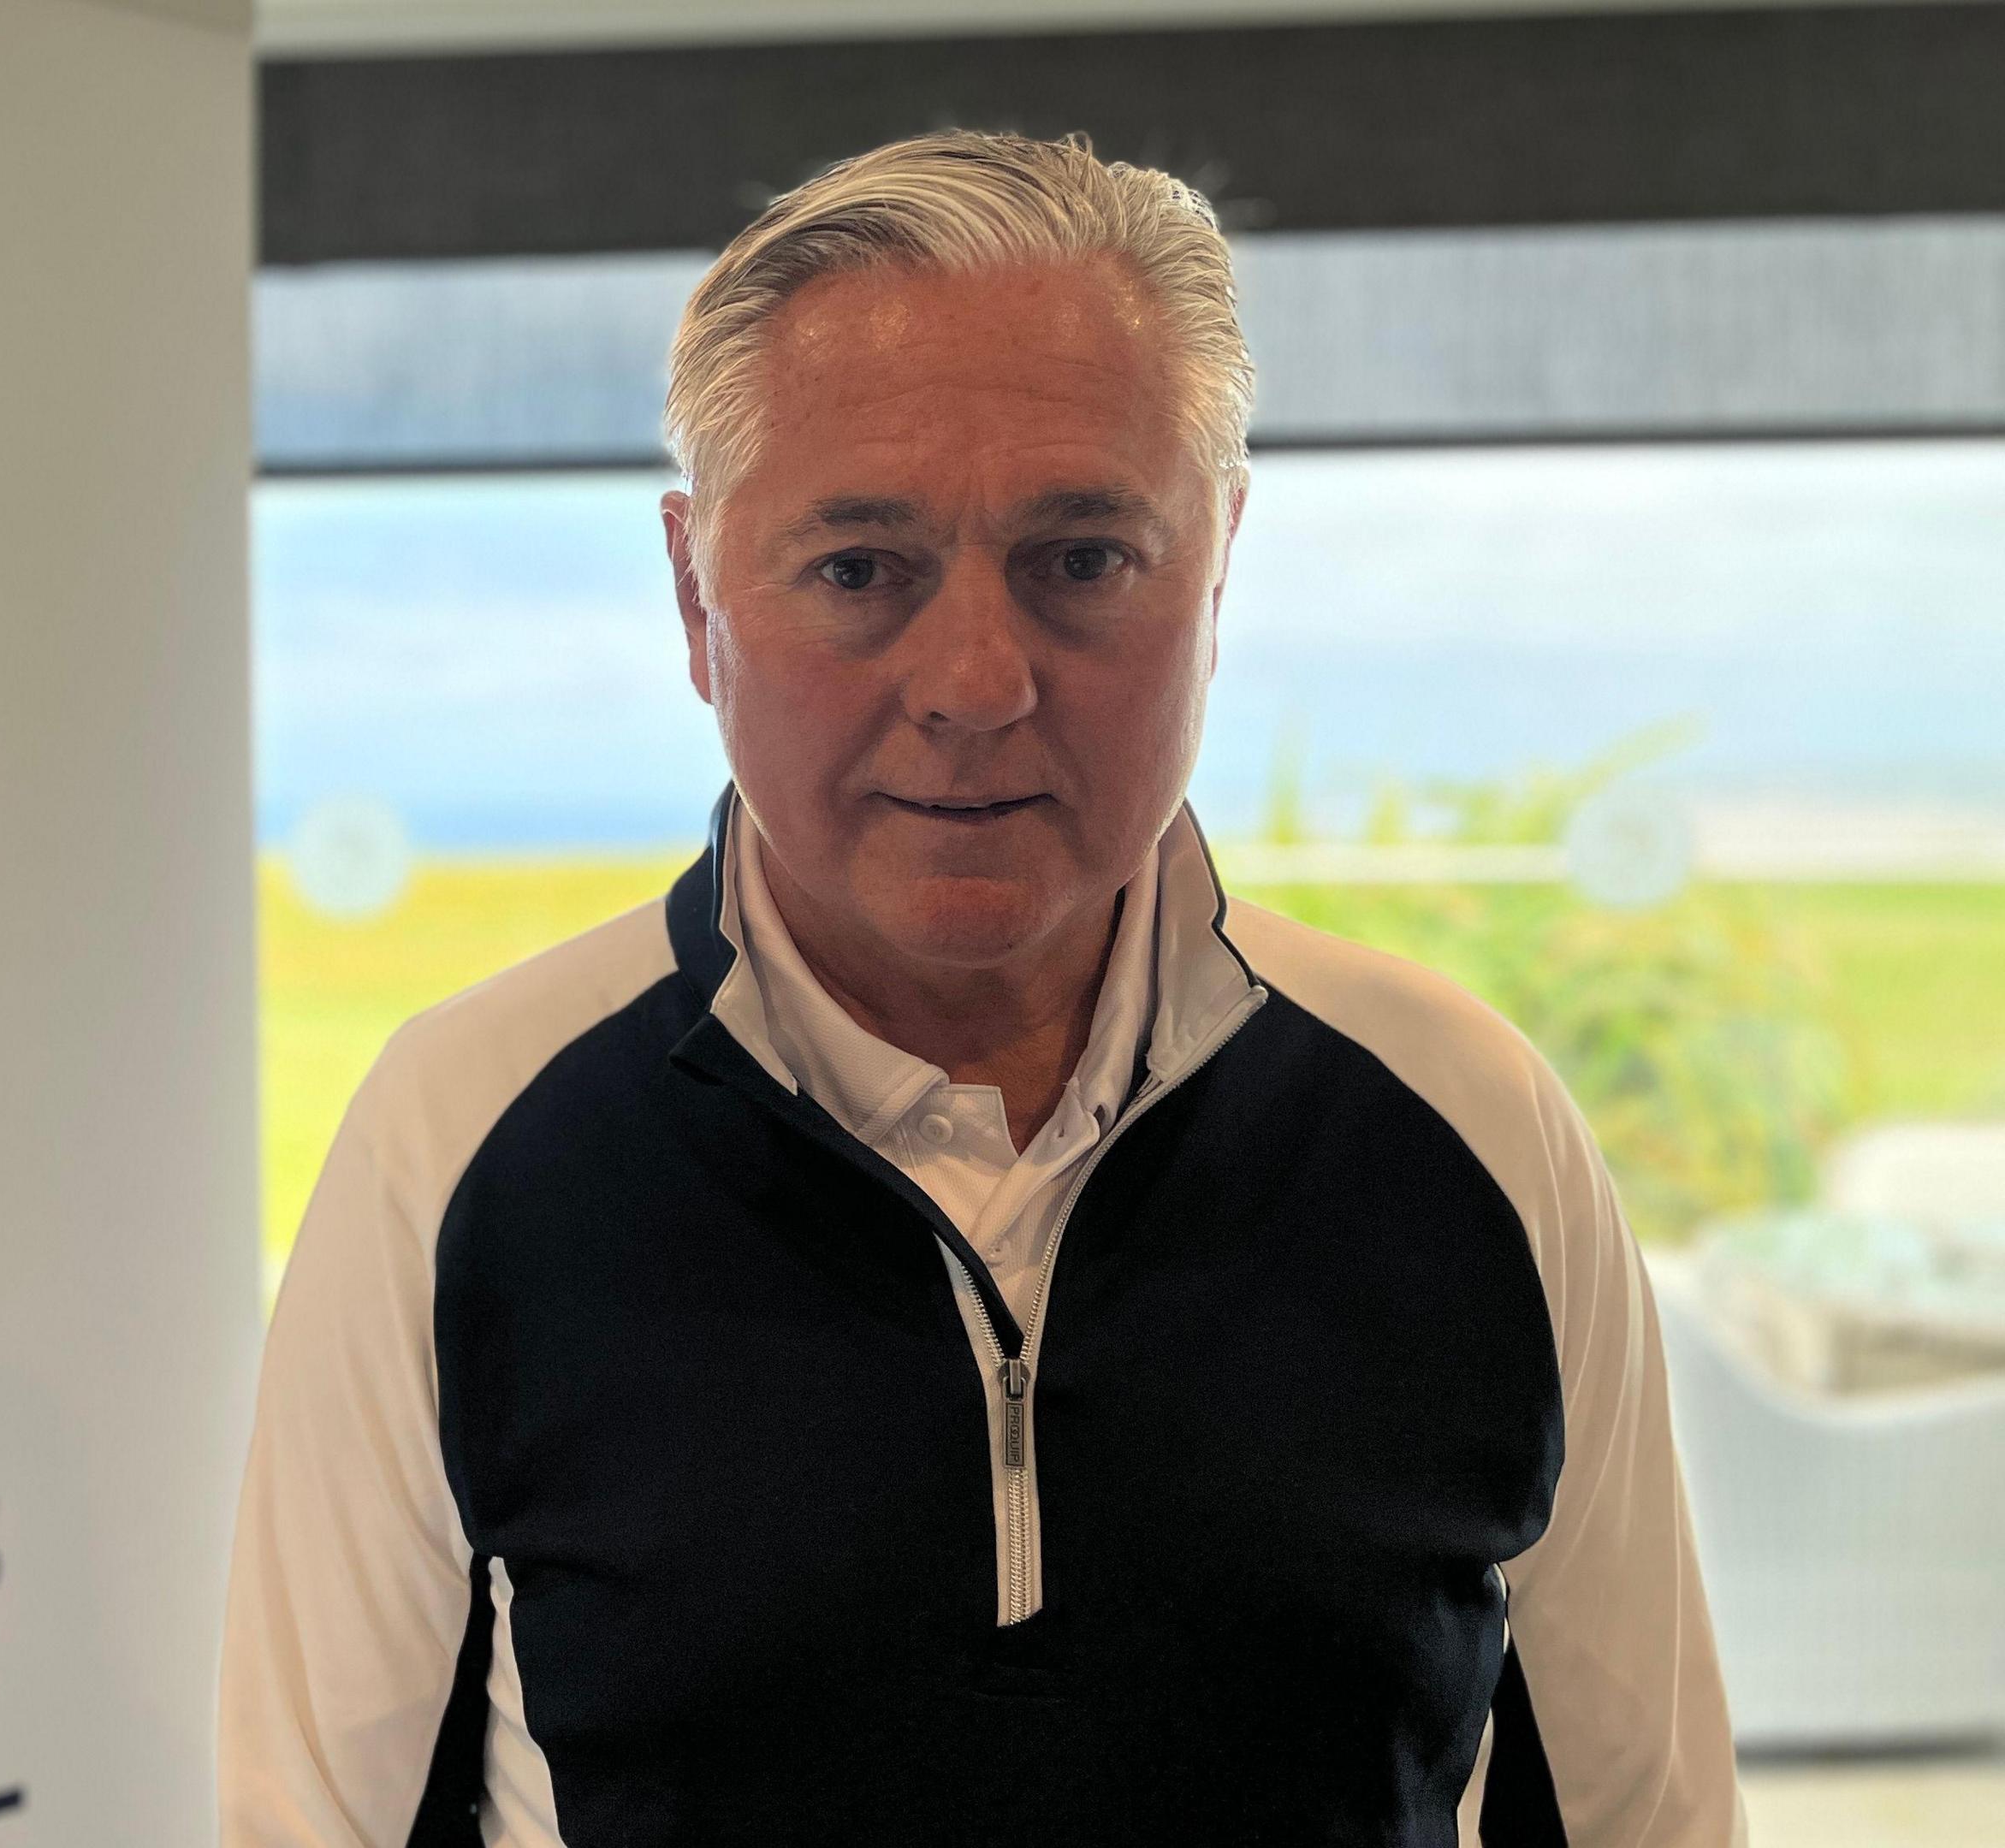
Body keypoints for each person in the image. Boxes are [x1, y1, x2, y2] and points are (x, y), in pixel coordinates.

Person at [218, 130, 1742, 1845]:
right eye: (860, 568)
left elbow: (1647, 1819)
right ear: (695, 594)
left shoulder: (1469, 1125)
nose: (974, 680)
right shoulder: (462, 1145)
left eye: (1082, 558)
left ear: (1217, 564)